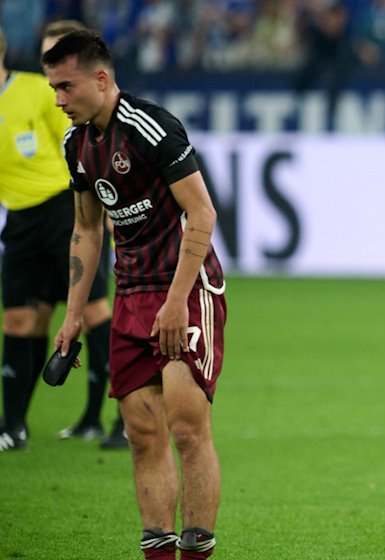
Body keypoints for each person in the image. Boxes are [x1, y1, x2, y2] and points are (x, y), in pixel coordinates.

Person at [44, 30, 226, 560]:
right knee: (142, 434)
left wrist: (175, 302)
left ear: (100, 79)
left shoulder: (149, 127)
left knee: (188, 430)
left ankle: (196, 553)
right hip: (132, 294)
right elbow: (87, 229)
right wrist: (74, 314)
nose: (58, 99)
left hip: (186, 289)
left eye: (66, 87)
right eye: (54, 87)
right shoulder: (75, 145)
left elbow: (203, 213)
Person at [0, 22, 113, 451]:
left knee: (95, 310)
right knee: (21, 319)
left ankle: (110, 414)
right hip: (20, 220)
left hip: (63, 210)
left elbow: (77, 145)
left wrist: (98, 209)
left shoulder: (37, 92)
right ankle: (13, 426)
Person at [40, 19, 128, 450]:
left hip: (89, 216)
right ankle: (98, 415)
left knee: (99, 312)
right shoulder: (74, 134)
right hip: (60, 214)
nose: (57, 95)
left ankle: (112, 416)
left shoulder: (129, 125)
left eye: (64, 82)